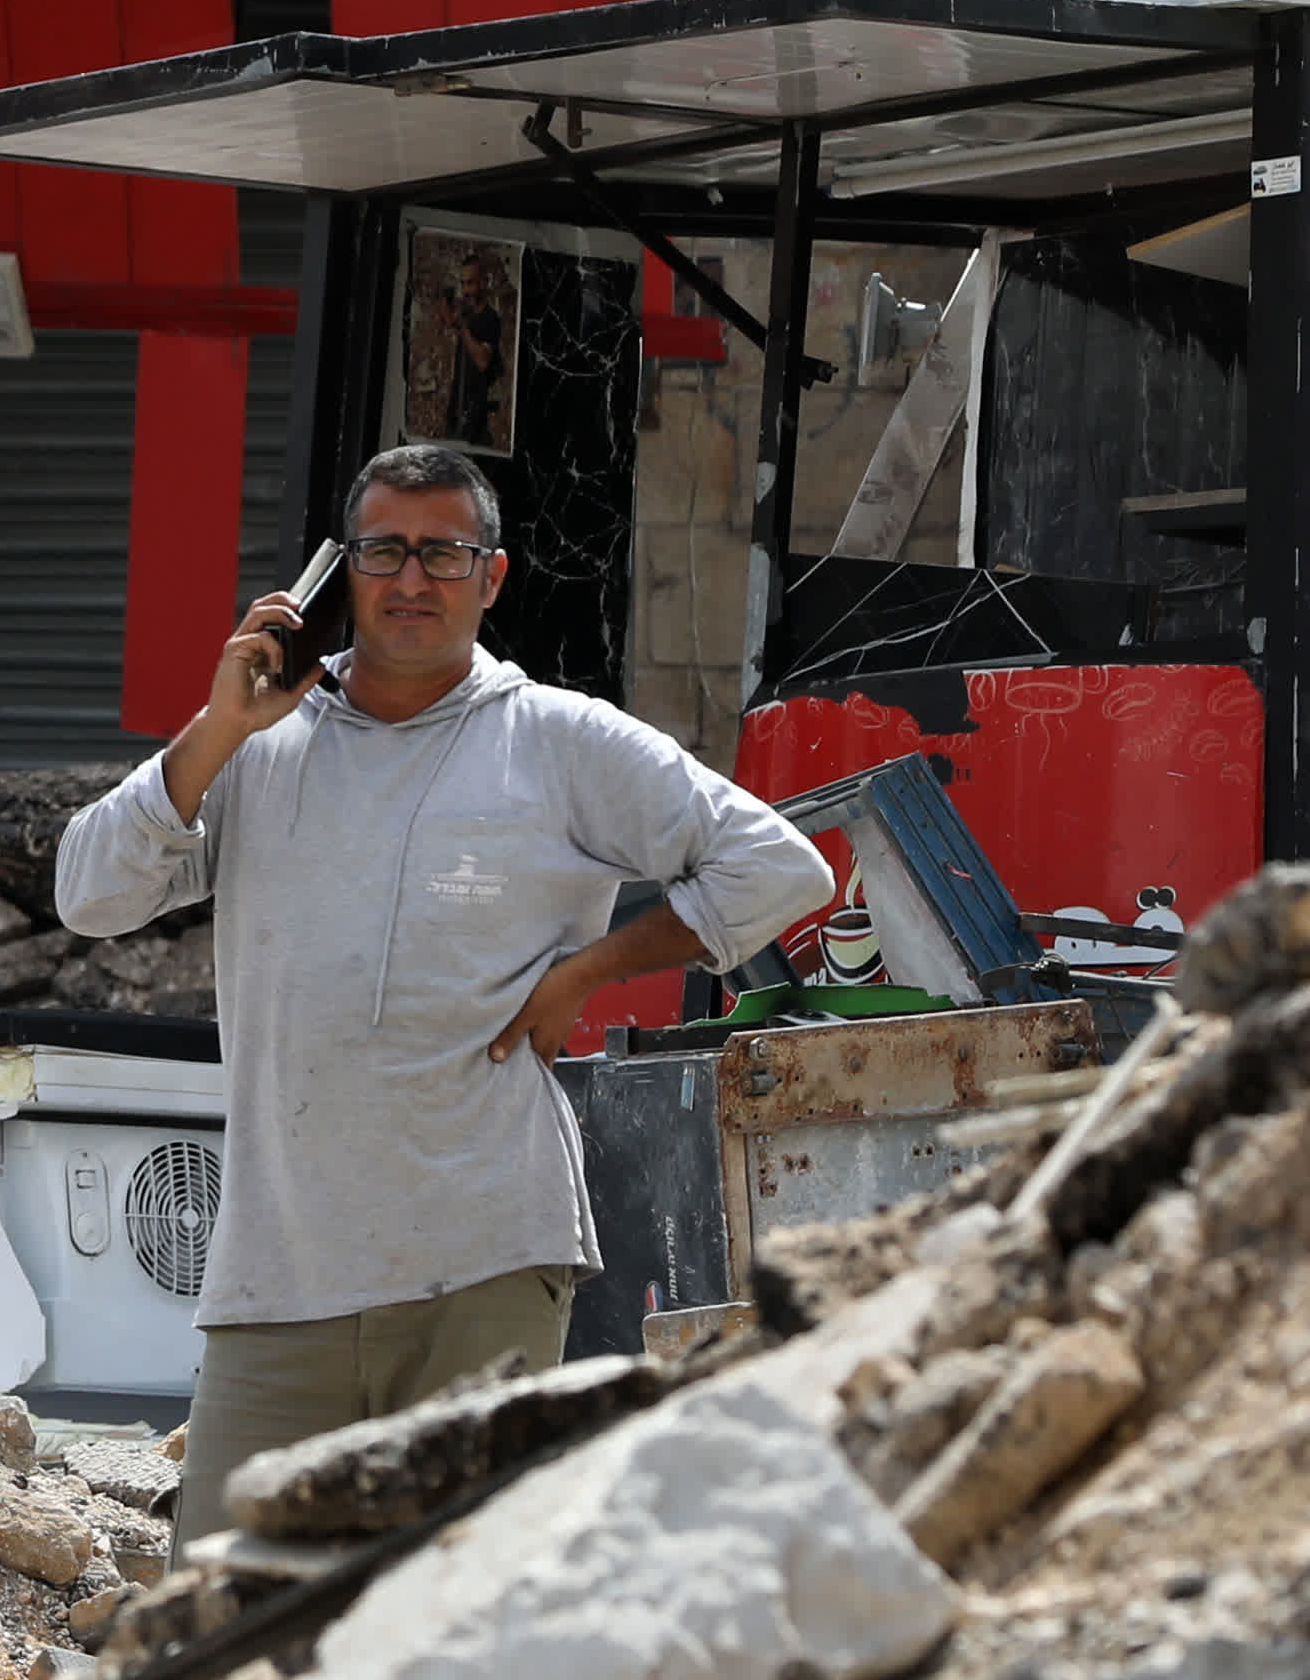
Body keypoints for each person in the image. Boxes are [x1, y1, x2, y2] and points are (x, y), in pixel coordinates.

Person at [54, 442, 835, 1536]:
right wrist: (223, 719)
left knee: (443, 1608)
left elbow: (783, 866)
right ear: (338, 571)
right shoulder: (258, 748)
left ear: (492, 576)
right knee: (228, 1623)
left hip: (481, 1256)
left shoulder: (561, 741)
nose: (411, 579)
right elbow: (88, 891)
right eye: (382, 550)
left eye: (442, 552)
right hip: (281, 1274)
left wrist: (589, 969)